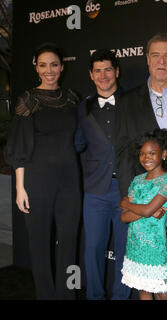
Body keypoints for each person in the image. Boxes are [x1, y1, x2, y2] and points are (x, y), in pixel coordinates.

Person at [114, 32, 167, 299]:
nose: (162, 61)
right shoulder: (127, 100)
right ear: (147, 60)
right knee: (148, 263)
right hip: (144, 195)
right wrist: (128, 196)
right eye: (156, 55)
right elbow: (123, 152)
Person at [4, 43, 81, 299]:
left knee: (69, 243)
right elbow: (19, 146)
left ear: (62, 66)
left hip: (70, 180)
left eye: (54, 65)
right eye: (43, 65)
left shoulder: (72, 98)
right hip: (37, 181)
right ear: (36, 68)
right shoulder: (29, 100)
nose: (49, 70)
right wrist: (19, 187)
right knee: (39, 245)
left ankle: (66, 295)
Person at [74, 49, 130, 300]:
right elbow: (77, 144)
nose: (103, 75)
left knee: (125, 250)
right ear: (91, 75)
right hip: (95, 191)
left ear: (116, 71)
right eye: (98, 70)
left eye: (108, 69)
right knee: (93, 249)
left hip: (127, 190)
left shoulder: (133, 102)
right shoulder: (82, 108)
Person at [119, 129, 167, 300]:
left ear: (164, 154)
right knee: (142, 289)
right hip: (135, 244)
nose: (146, 158)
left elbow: (147, 210)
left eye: (152, 153)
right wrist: (148, 211)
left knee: (162, 291)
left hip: (154, 245)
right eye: (142, 154)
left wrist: (127, 204)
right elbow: (124, 217)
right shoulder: (137, 180)